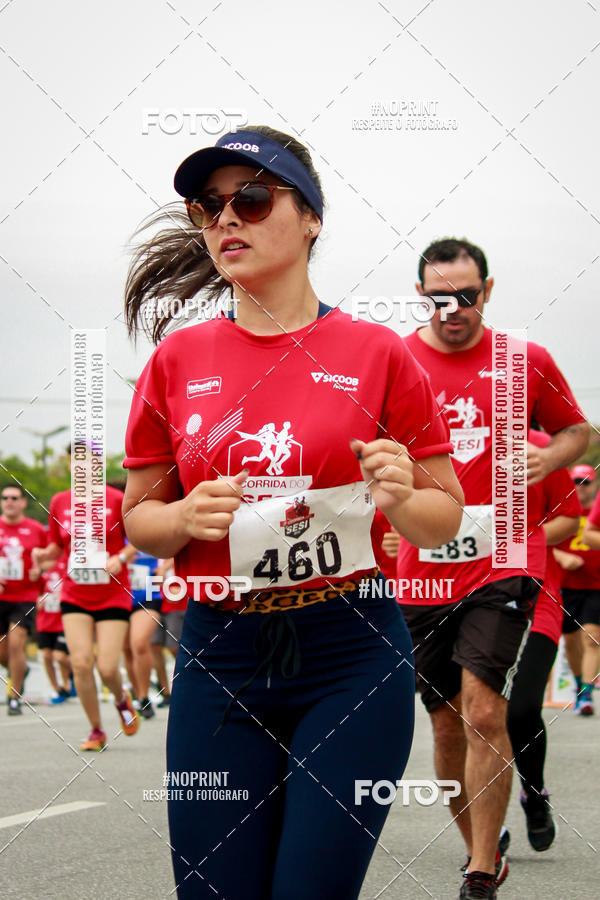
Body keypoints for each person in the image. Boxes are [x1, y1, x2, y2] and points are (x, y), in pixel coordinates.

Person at [121, 126, 464, 900]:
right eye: (208, 207)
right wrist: (179, 523)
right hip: (221, 654)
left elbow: (443, 518)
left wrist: (406, 494)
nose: (226, 219)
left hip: (352, 652)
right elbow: (139, 519)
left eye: (251, 197)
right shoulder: (176, 361)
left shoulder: (378, 352)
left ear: (310, 217)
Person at [395, 238, 589, 898]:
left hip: (504, 558)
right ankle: (486, 843)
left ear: (489, 290)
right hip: (421, 570)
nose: (454, 309)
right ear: (421, 295)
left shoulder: (522, 360)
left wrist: (549, 457)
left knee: (485, 710)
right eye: (438, 297)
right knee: (447, 724)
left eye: (467, 296)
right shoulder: (397, 361)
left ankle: (479, 872)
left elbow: (576, 432)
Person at [33, 446, 139, 750]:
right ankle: (96, 729)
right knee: (80, 663)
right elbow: (55, 548)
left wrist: (121, 556)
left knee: (107, 667)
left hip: (112, 594)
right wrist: (43, 555)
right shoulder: (60, 502)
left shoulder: (117, 500)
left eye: (89, 462)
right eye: (76, 461)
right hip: (74, 594)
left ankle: (122, 700)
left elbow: (138, 540)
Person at [506, 429, 581, 851]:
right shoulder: (450, 437)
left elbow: (570, 519)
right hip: (465, 595)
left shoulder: (538, 445)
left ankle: (534, 795)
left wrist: (512, 540)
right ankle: (483, 835)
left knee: (521, 709)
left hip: (535, 597)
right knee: (472, 718)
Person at [554, 464, 600, 714]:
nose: (580, 487)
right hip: (566, 584)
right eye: (576, 482)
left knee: (592, 637)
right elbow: (542, 541)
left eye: (586, 482)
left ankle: (586, 694)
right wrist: (562, 558)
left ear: (594, 485)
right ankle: (579, 682)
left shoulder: (598, 510)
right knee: (571, 640)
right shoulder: (562, 510)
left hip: (596, 585)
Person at [0, 483, 47, 715]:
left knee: (17, 644)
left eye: (14, 498)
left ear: (23, 502)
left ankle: (14, 697)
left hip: (24, 597)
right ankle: (20, 671)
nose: (9, 501)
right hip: (1, 596)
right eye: (5, 497)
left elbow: (51, 559)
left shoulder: (37, 529)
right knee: (3, 653)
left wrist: (41, 573)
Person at [124, 548, 162, 717]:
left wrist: (164, 567)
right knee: (127, 650)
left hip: (148, 596)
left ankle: (144, 696)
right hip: (119, 597)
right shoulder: (113, 531)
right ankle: (137, 693)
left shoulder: (150, 529)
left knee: (139, 644)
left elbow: (178, 549)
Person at [36, 556, 73, 703]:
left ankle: (69, 680)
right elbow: (34, 591)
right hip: (44, 620)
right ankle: (58, 689)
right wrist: (38, 600)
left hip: (62, 620)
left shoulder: (65, 565)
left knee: (60, 655)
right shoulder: (39, 571)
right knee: (46, 655)